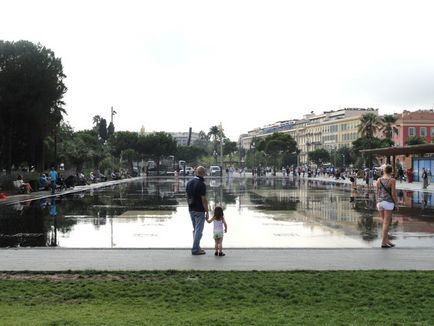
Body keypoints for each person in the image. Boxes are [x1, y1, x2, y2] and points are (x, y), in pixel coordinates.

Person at [186, 166, 209, 255]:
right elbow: (203, 199)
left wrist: (190, 205)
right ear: (203, 173)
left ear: (196, 172)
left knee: (195, 229)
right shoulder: (201, 184)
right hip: (199, 210)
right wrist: (207, 211)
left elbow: (187, 196)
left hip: (191, 209)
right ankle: (195, 249)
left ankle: (197, 247)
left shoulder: (189, 182)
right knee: (199, 230)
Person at [376, 164, 398, 248]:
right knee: (386, 223)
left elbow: (377, 192)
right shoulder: (392, 180)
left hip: (380, 203)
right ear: (391, 171)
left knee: (385, 223)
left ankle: (387, 240)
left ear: (384, 171)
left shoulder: (379, 179)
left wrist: (377, 202)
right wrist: (396, 203)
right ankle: (383, 242)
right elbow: (393, 194)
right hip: (388, 203)